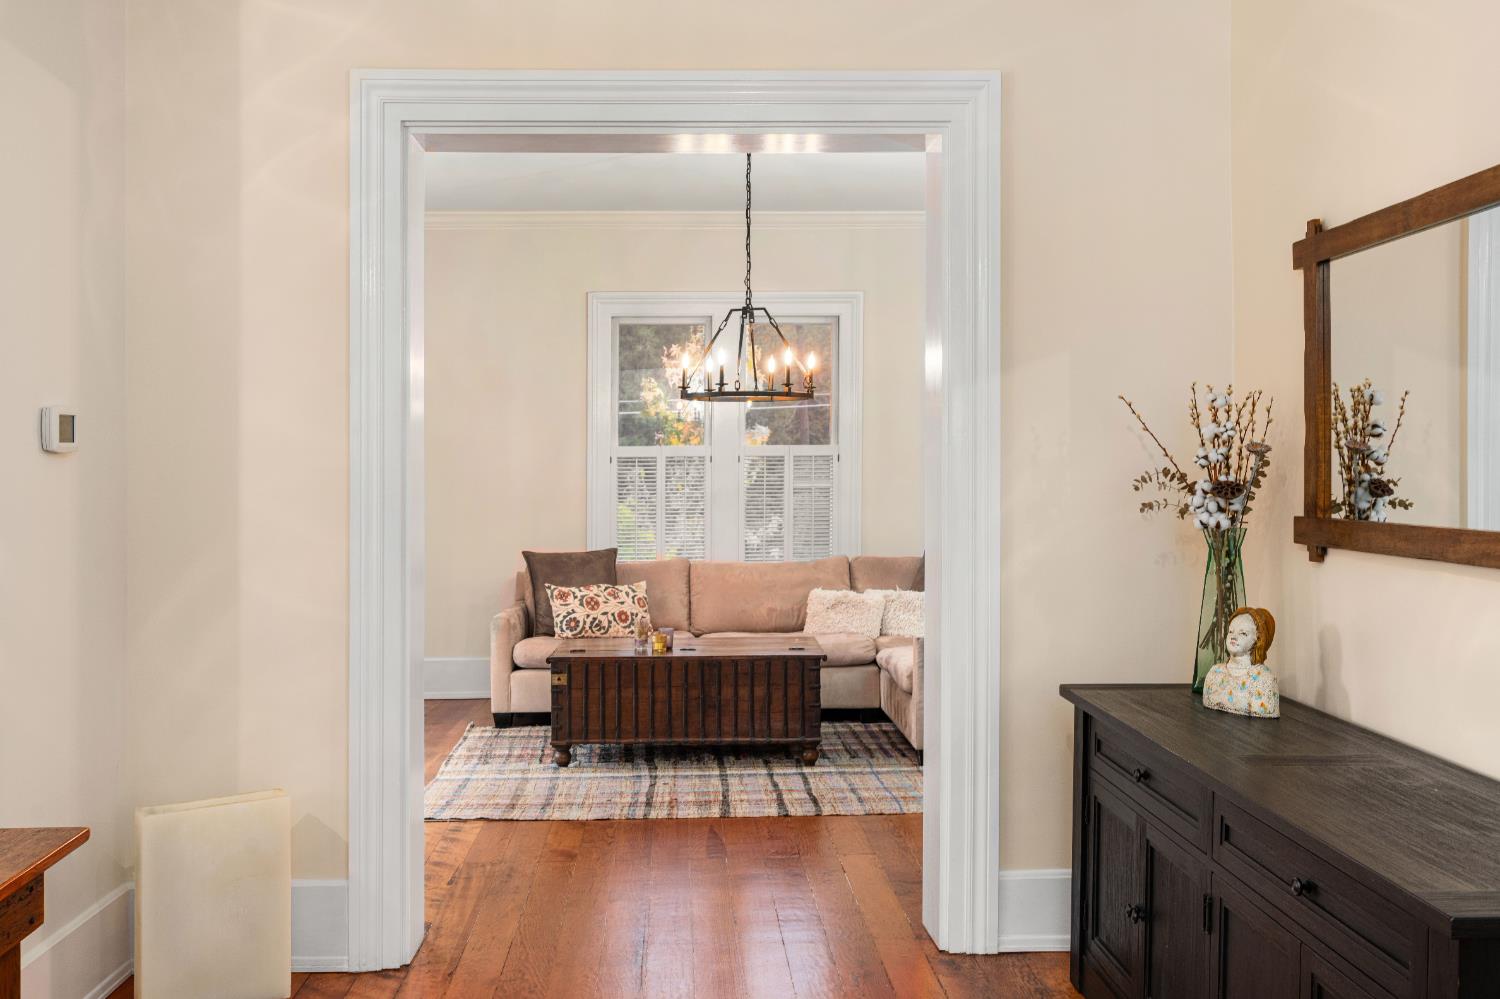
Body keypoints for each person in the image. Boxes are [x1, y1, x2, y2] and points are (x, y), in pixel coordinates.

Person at [1201, 606, 1279, 718]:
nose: (1233, 637)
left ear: (1258, 639)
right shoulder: (1214, 673)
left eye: (1243, 633)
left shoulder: (1264, 679)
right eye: (1231, 631)